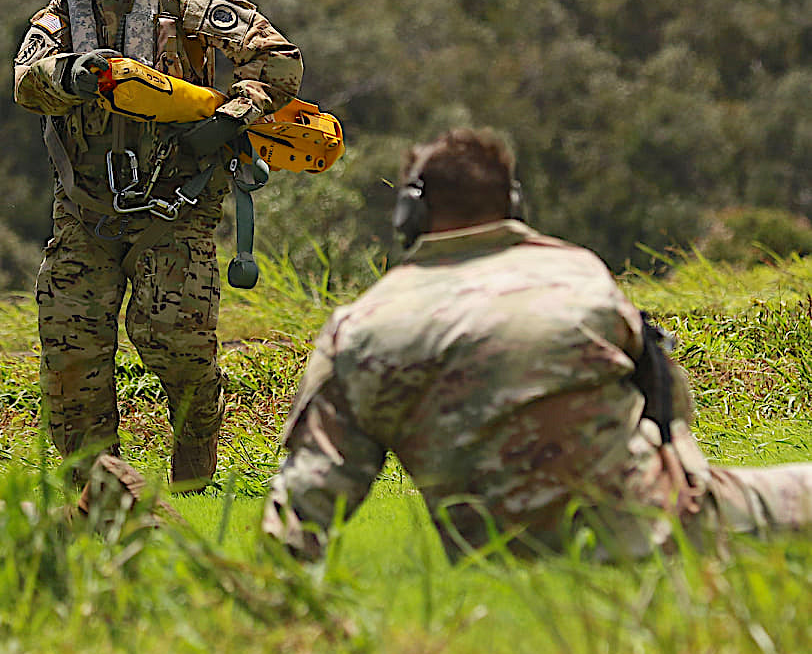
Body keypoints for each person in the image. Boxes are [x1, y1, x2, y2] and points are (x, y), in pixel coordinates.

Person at [263, 128, 812, 562]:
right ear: (514, 203)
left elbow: (310, 491)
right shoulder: (575, 274)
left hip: (501, 560)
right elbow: (670, 403)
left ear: (410, 214)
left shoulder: (361, 326)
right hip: (655, 532)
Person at [13, 0, 303, 491]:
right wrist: (73, 75)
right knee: (70, 352)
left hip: (177, 206)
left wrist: (229, 119)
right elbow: (25, 83)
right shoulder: (58, 17)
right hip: (85, 214)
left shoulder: (185, 0)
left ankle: (193, 480)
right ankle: (92, 493)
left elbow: (279, 62)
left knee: (179, 347)